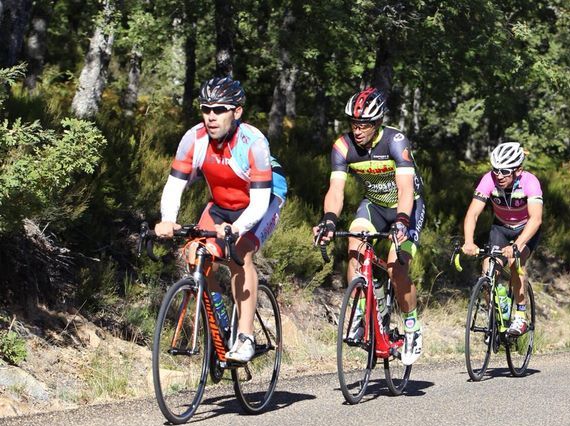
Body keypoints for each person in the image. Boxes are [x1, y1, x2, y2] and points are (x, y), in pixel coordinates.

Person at [155, 76, 287, 363]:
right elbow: (175, 184)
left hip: (262, 200)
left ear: (237, 112)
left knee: (240, 252)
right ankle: (220, 324)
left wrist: (238, 228)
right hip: (222, 205)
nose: (211, 117)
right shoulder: (194, 139)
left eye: (219, 110)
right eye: (206, 109)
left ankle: (245, 336)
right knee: (194, 253)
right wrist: (168, 219)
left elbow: (259, 203)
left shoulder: (254, 143)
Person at [313, 87, 425, 365]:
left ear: (377, 124)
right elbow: (336, 189)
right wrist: (329, 219)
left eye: (364, 125)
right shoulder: (342, 146)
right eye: (354, 124)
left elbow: (405, 190)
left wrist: (401, 221)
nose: (358, 130)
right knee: (354, 245)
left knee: (395, 267)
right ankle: (363, 308)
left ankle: (412, 326)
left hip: (406, 207)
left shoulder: (395, 141)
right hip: (374, 206)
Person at [461, 142, 543, 336]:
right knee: (487, 268)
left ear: (518, 170)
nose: (498, 175)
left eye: (504, 171)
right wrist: (468, 241)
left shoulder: (530, 182)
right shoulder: (488, 180)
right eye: (495, 170)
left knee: (515, 262)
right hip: (501, 228)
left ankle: (521, 316)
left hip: (526, 229)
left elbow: (536, 219)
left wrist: (517, 245)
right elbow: (472, 213)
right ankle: (497, 313)